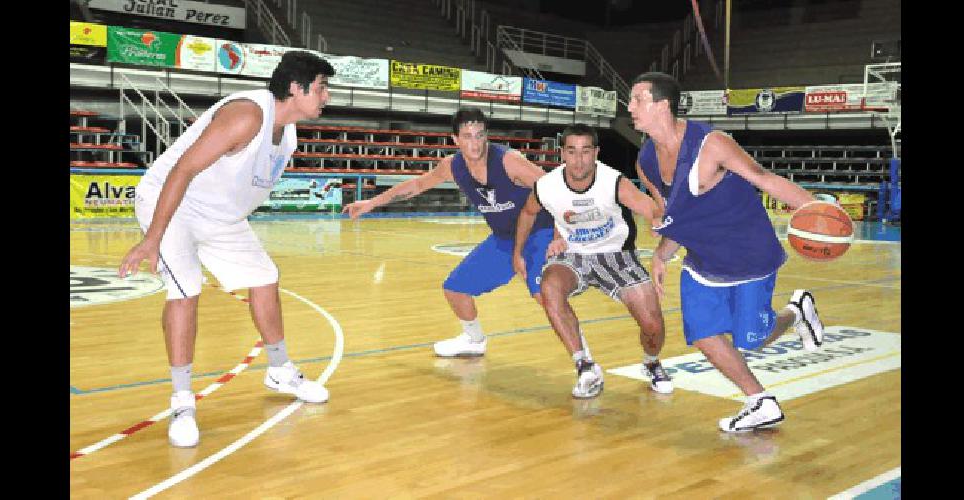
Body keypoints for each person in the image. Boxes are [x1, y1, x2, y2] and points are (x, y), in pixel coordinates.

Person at [117, 50, 335, 448]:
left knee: (265, 277)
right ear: (295, 87)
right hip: (173, 205)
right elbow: (182, 170)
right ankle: (182, 401)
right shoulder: (247, 115)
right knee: (185, 288)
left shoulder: (287, 134)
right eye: (321, 88)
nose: (327, 97)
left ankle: (280, 369)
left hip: (221, 219)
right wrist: (153, 237)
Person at [628, 72, 825, 433]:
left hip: (750, 254)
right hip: (704, 261)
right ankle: (759, 401)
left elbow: (764, 179)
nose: (630, 107)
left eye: (638, 99)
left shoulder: (711, 143)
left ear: (663, 105)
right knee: (703, 333)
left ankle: (796, 312)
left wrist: (821, 212)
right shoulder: (646, 161)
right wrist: (661, 254)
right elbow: (676, 214)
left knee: (752, 339)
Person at [342, 108, 588, 358]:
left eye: (480, 135)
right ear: (455, 140)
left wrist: (559, 236)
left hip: (539, 231)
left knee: (544, 295)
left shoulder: (508, 161)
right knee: (455, 289)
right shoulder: (452, 166)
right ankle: (474, 340)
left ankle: (583, 357)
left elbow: (555, 191)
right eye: (468, 136)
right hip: (504, 239)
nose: (475, 143)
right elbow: (416, 185)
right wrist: (370, 203)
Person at [512, 124, 672, 398]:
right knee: (549, 286)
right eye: (572, 151)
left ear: (596, 153)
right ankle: (585, 366)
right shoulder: (546, 186)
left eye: (586, 151)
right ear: (562, 153)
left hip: (618, 256)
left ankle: (651, 362)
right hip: (573, 255)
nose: (579, 159)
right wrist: (518, 252)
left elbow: (651, 209)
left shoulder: (614, 182)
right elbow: (527, 213)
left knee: (653, 326)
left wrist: (658, 221)